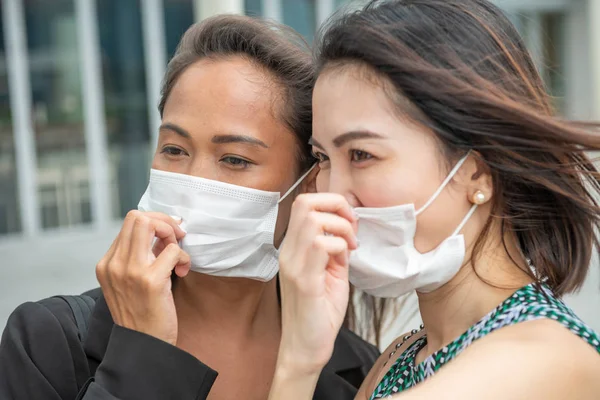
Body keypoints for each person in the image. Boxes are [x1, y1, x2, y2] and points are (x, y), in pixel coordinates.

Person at [0, 15, 380, 400]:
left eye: (234, 159)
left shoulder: (360, 373)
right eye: (174, 150)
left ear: (308, 184)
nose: (194, 179)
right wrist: (140, 354)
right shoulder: (48, 341)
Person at [268, 0, 600, 399]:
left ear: (477, 172)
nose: (332, 193)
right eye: (322, 158)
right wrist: (301, 355)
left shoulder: (543, 355)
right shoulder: (399, 358)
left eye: (361, 154)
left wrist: (295, 365)